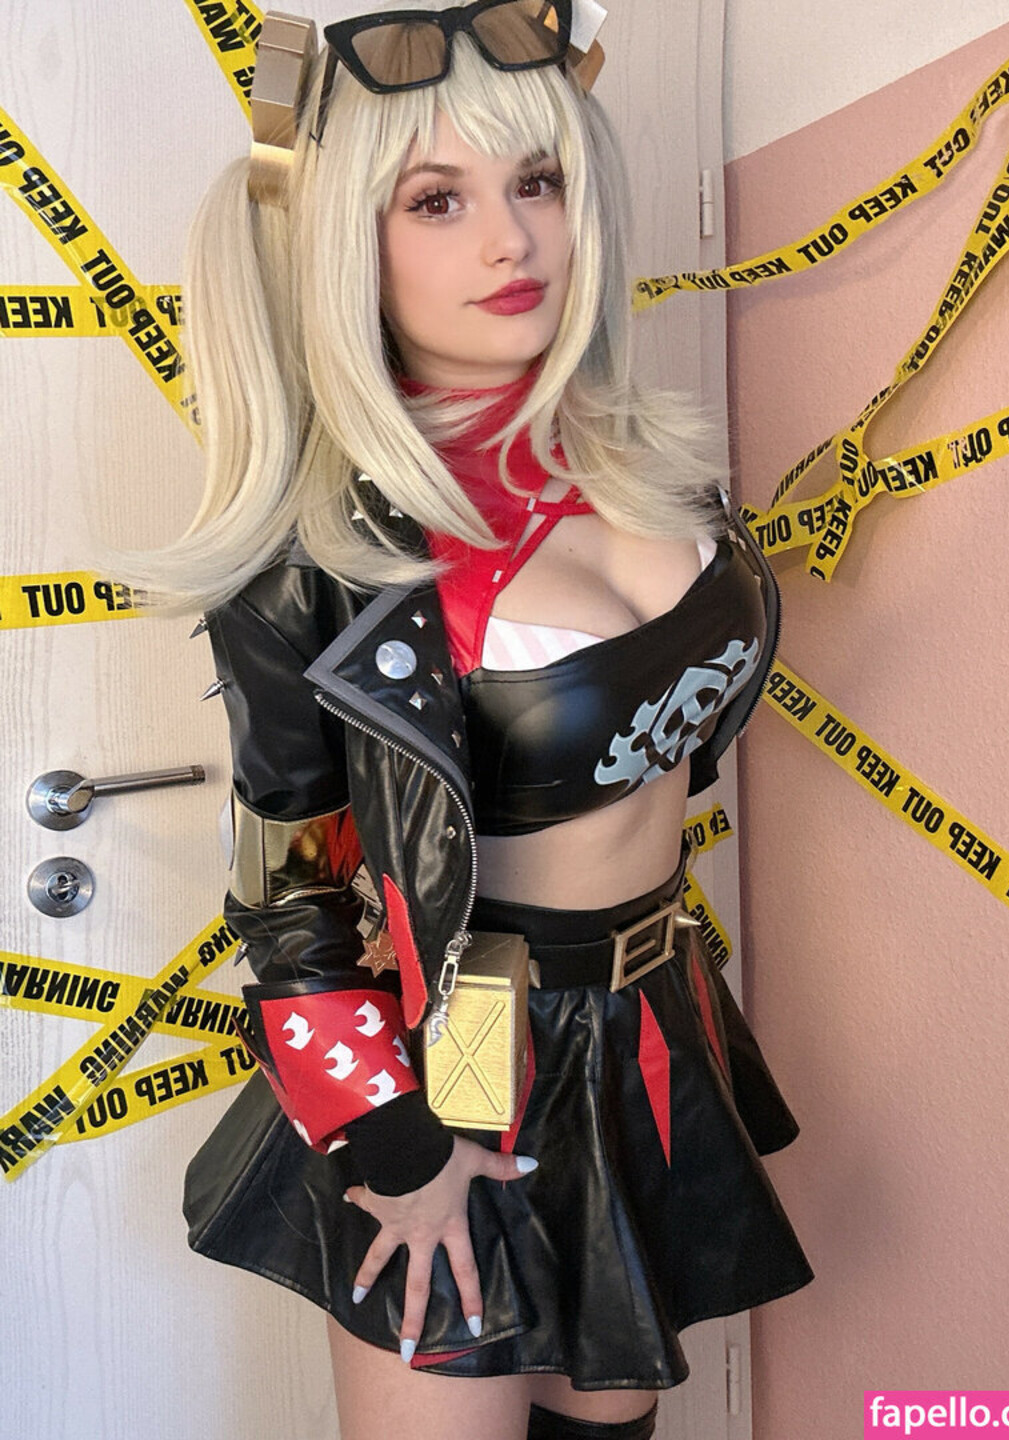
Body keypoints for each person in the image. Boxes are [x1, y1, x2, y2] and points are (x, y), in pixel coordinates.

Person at [154, 4, 815, 1437]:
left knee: (612, 1428)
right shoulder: (320, 558)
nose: (513, 242)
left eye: (539, 182)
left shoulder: (647, 462)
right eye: (436, 201)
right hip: (462, 1050)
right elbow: (289, 895)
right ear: (345, 238)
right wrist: (395, 1148)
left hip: (653, 1021)